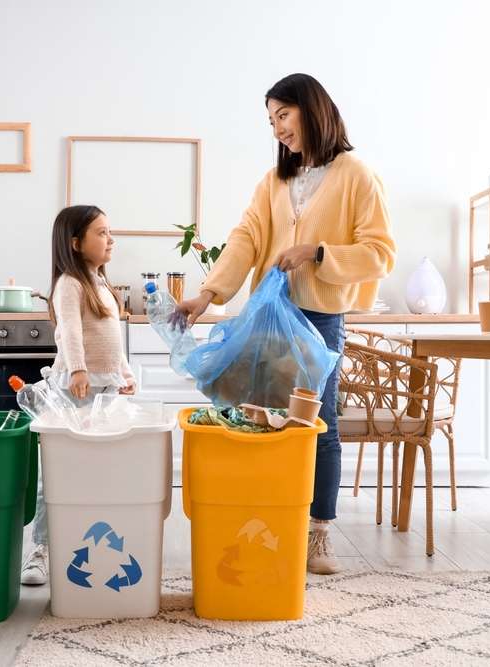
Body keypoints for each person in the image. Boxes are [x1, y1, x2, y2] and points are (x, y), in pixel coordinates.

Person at [176, 73, 397, 574]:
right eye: (271, 119)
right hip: (269, 316)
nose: (277, 128)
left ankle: (318, 534)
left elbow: (380, 252)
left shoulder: (356, 174)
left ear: (311, 109)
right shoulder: (274, 181)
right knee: (259, 419)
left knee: (318, 424)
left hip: (318, 315)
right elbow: (245, 238)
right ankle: (266, 517)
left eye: (284, 115)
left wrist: (317, 252)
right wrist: (208, 295)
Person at [21, 204, 136, 586]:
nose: (111, 239)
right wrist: (78, 370)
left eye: (109, 231)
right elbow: (69, 331)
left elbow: (110, 338)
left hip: (105, 390)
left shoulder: (100, 283)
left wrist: (124, 372)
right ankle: (39, 552)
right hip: (76, 388)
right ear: (75, 243)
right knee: (57, 472)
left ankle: (89, 542)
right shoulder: (69, 284)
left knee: (101, 469)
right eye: (101, 233)